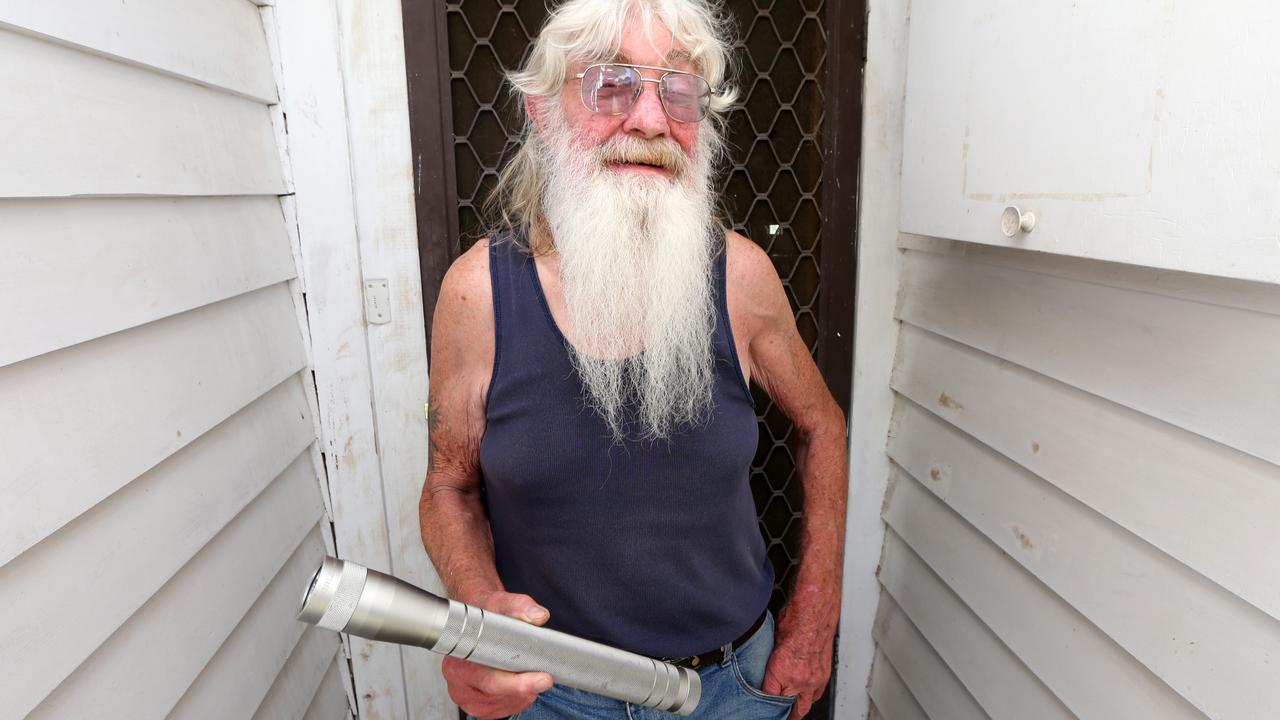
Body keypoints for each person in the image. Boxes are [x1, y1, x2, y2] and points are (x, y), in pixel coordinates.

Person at [420, 1, 847, 717]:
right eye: (611, 85)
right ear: (540, 111)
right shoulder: (479, 294)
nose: (650, 121)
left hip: (731, 687)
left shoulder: (739, 277)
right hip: (552, 697)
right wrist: (477, 614)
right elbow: (448, 486)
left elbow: (823, 427)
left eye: (677, 90)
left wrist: (815, 618)